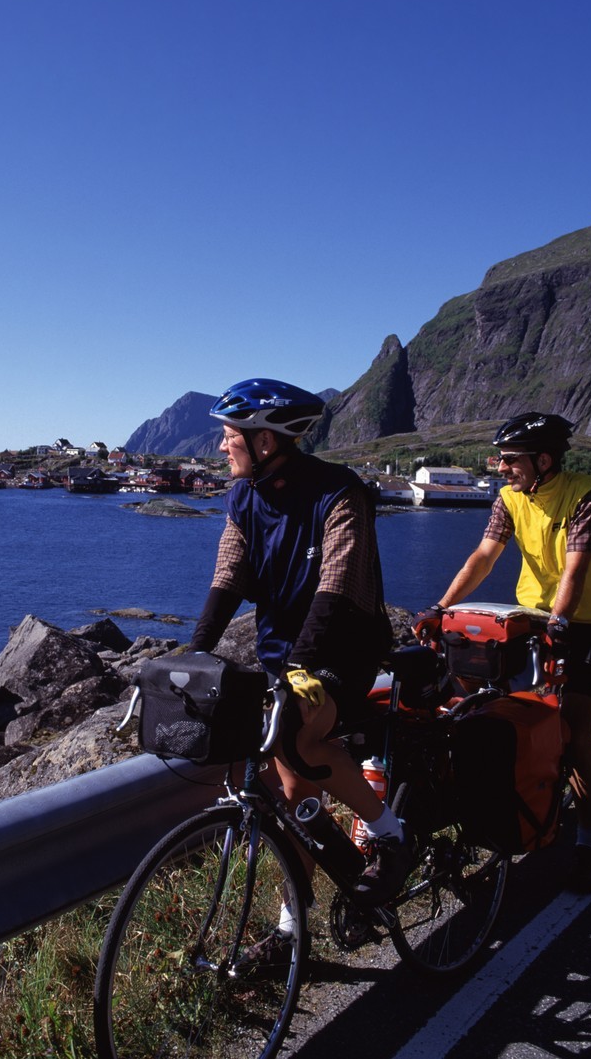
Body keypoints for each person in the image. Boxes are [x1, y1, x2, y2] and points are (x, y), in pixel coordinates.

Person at [189, 377, 410, 906]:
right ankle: (294, 931)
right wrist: (194, 651)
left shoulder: (340, 493)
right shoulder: (244, 495)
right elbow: (228, 576)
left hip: (342, 652)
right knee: (294, 795)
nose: (221, 446)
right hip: (281, 653)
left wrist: (302, 668)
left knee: (298, 737)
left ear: (265, 441)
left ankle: (390, 834)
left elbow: (335, 585)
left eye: (229, 436)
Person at [419, 412, 591, 894]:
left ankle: (590, 844)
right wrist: (441, 607)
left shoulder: (584, 494)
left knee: (574, 733)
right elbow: (484, 556)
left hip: (588, 623)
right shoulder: (509, 498)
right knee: (498, 714)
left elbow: (574, 570)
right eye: (500, 459)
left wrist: (563, 622)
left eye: (509, 460)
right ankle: (509, 810)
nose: (501, 468)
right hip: (530, 617)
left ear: (543, 460)